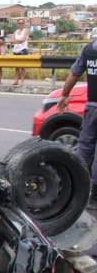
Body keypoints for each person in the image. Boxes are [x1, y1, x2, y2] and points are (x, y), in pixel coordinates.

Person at [55, 37, 97, 206]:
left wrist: (64, 95)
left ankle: (75, 184)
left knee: (85, 147)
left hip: (92, 107)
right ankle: (94, 193)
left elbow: (74, 74)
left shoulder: (89, 49)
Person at [12, 18, 30, 86]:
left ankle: (22, 81)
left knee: (22, 67)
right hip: (16, 50)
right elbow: (12, 40)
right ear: (18, 24)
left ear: (24, 24)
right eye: (19, 23)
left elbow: (23, 39)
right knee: (16, 67)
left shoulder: (26, 30)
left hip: (23, 49)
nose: (21, 24)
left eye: (22, 23)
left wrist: (16, 41)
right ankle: (16, 80)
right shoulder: (16, 31)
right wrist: (18, 41)